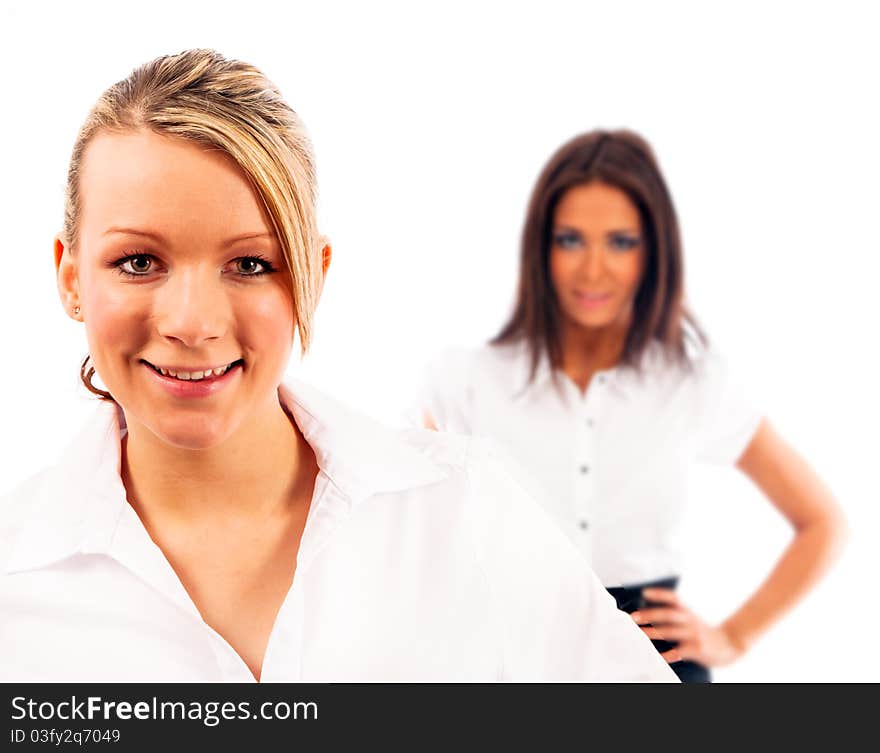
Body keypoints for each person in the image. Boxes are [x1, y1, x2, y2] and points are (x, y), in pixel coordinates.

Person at [0, 52, 676, 682]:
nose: (192, 321)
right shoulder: (15, 587)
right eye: (138, 262)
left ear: (311, 278)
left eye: (251, 264)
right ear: (70, 277)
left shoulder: (460, 513)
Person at [416, 130, 847, 682]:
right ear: (541, 248)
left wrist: (734, 637)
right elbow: (398, 520)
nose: (593, 270)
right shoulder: (468, 380)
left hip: (657, 663)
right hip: (519, 659)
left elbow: (823, 523)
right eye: (571, 240)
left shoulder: (692, 384)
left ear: (653, 251)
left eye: (620, 242)